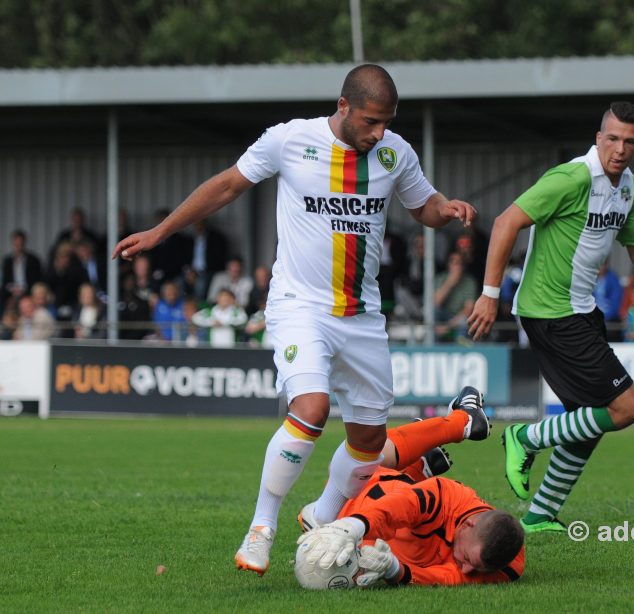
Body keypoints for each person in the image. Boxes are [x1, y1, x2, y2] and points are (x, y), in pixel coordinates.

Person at [112, 63, 477, 577]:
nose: (379, 133)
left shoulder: (395, 152)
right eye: (371, 121)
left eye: (387, 122)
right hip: (299, 306)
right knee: (311, 407)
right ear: (343, 106)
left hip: (362, 316)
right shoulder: (290, 140)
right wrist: (161, 232)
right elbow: (225, 186)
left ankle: (322, 513)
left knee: (370, 443)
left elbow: (424, 206)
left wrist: (448, 209)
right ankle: (261, 528)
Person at [467, 101, 634, 533]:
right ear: (598, 138)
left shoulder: (629, 188)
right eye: (612, 138)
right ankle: (524, 438)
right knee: (626, 406)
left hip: (581, 310)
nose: (619, 148)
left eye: (629, 141)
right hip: (550, 310)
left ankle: (540, 516)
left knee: (591, 419)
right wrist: (489, 295)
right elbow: (506, 222)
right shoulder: (571, 176)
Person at [297, 407, 523, 587]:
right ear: (467, 524)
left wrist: (395, 570)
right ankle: (463, 420)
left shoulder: (505, 563)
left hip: (411, 530)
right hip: (388, 497)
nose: (467, 571)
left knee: (326, 531)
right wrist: (352, 525)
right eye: (470, 561)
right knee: (348, 466)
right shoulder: (448, 497)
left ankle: (418, 465)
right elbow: (400, 506)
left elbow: (450, 577)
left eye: (477, 569)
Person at [434, 251, 478, 342]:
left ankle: (459, 348)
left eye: (460, 263)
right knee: (432, 313)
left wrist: (448, 326)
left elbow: (468, 310)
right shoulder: (441, 278)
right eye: (454, 263)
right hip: (442, 316)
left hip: (458, 318)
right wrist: (450, 283)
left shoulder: (469, 282)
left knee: (465, 321)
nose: (457, 266)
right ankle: (432, 347)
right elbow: (435, 303)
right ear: (449, 265)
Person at [2, 229, 43, 309]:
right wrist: (12, 290)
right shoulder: (7, 261)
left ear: (24, 243)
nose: (18, 245)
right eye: (16, 243)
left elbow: (36, 280)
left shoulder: (33, 260)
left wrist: (23, 290)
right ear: (13, 243)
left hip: (28, 292)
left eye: (20, 243)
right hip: (11, 293)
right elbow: (5, 282)